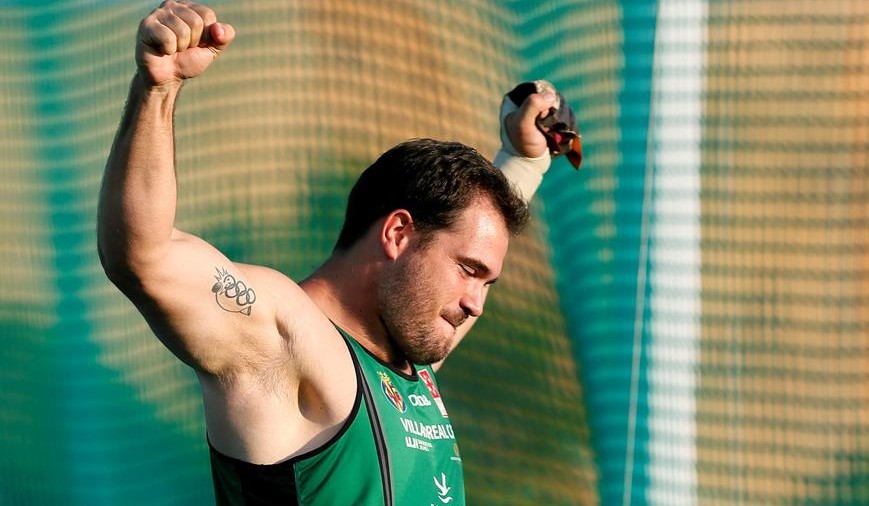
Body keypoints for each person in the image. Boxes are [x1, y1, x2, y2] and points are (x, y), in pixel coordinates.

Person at [98, 2, 558, 504]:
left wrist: (522, 163)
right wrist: (158, 89)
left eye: (486, 282)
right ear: (398, 234)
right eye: (468, 271)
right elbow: (145, 257)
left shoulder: (408, 360)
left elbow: (466, 248)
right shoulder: (284, 341)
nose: (475, 304)